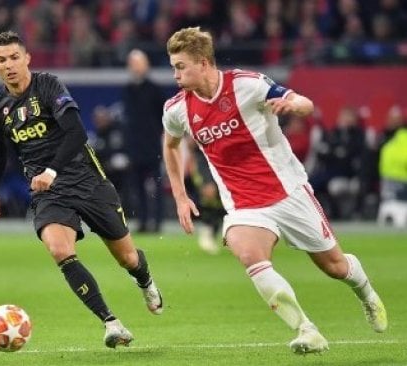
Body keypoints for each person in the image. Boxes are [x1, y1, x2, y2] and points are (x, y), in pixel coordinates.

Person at [161, 27, 387, 355]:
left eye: (181, 66)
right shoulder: (177, 109)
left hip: (288, 192)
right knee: (247, 252)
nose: (175, 73)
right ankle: (307, 330)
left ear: (205, 63)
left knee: (335, 266)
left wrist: (294, 105)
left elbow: (304, 103)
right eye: (173, 66)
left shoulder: (248, 85)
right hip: (243, 205)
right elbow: (170, 145)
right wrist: (181, 196)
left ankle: (366, 294)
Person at [0, 31, 162, 348]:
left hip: (86, 180)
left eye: (13, 57)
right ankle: (111, 323)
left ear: (27, 59)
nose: (9, 65)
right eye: (1, 60)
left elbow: (77, 133)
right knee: (60, 250)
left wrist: (52, 170)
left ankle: (145, 281)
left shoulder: (48, 85)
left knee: (128, 258)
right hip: (47, 192)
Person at [123, 49, 167, 233]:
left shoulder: (155, 90)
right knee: (138, 187)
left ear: (146, 65)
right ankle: (142, 221)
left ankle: (156, 222)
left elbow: (164, 119)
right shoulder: (127, 90)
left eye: (139, 63)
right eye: (133, 63)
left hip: (152, 146)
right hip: (135, 147)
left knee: (156, 184)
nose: (136, 67)